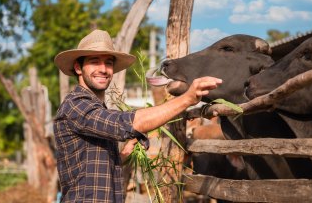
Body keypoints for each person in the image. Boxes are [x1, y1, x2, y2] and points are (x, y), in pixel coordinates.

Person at [53, 29, 222, 203]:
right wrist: (187, 99)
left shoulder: (96, 110)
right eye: (94, 62)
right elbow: (127, 123)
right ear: (78, 68)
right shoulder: (76, 105)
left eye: (108, 63)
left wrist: (123, 155)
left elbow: (89, 167)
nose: (103, 69)